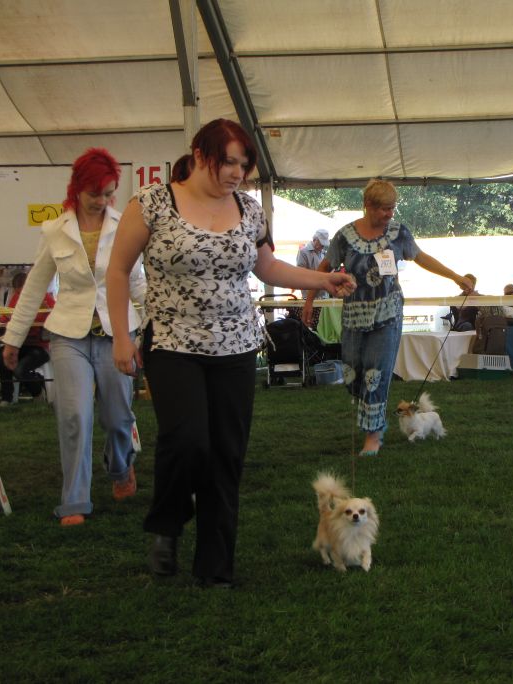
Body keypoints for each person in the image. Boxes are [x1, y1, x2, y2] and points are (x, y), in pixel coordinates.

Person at [106, 119, 353, 583]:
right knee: (186, 440)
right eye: (229, 162)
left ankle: (215, 567)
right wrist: (122, 335)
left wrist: (322, 280)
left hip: (237, 346)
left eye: (245, 164)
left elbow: (268, 268)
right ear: (200, 155)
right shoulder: (153, 203)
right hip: (173, 343)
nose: (238, 172)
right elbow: (118, 271)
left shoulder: (249, 209)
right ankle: (169, 522)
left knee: (226, 453)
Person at [1, 148, 146, 527]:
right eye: (94, 193)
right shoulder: (54, 230)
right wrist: (13, 338)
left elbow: (138, 284)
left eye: (108, 193)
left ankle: (120, 467)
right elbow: (34, 287)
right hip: (68, 336)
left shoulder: (125, 225)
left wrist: (146, 331)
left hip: (118, 334)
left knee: (118, 417)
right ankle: (74, 501)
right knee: (74, 416)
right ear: (76, 189)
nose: (101, 201)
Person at [302, 179, 473, 458]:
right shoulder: (345, 235)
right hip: (354, 317)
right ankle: (369, 413)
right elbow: (323, 268)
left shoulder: (398, 232)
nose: (389, 214)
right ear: (368, 205)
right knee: (354, 373)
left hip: (388, 314)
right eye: (384, 209)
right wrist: (309, 300)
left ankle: (373, 437)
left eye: (392, 208)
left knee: (376, 374)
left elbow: (421, 257)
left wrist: (456, 276)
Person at [0, 271, 55, 406]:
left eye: (23, 293)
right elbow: (4, 318)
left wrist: (46, 311)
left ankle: (38, 392)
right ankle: (6, 397)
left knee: (20, 370)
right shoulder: (15, 299)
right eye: (18, 293)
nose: (20, 296)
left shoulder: (45, 298)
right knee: (1, 355)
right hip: (20, 345)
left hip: (40, 347)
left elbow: (55, 318)